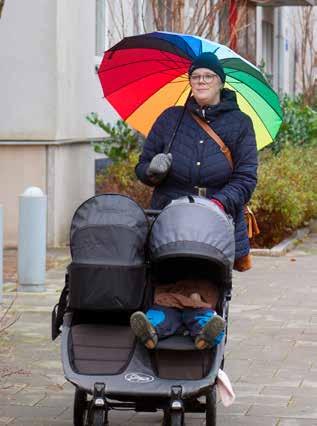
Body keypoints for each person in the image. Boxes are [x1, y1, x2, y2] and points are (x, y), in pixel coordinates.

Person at [130, 51, 258, 350]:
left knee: (204, 270)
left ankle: (173, 322)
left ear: (220, 82)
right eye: (196, 76)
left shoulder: (240, 124)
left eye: (208, 76)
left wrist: (219, 204)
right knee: (170, 269)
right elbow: (142, 166)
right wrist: (152, 170)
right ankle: (190, 323)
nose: (201, 81)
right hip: (170, 214)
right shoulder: (170, 119)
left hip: (217, 216)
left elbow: (246, 177)